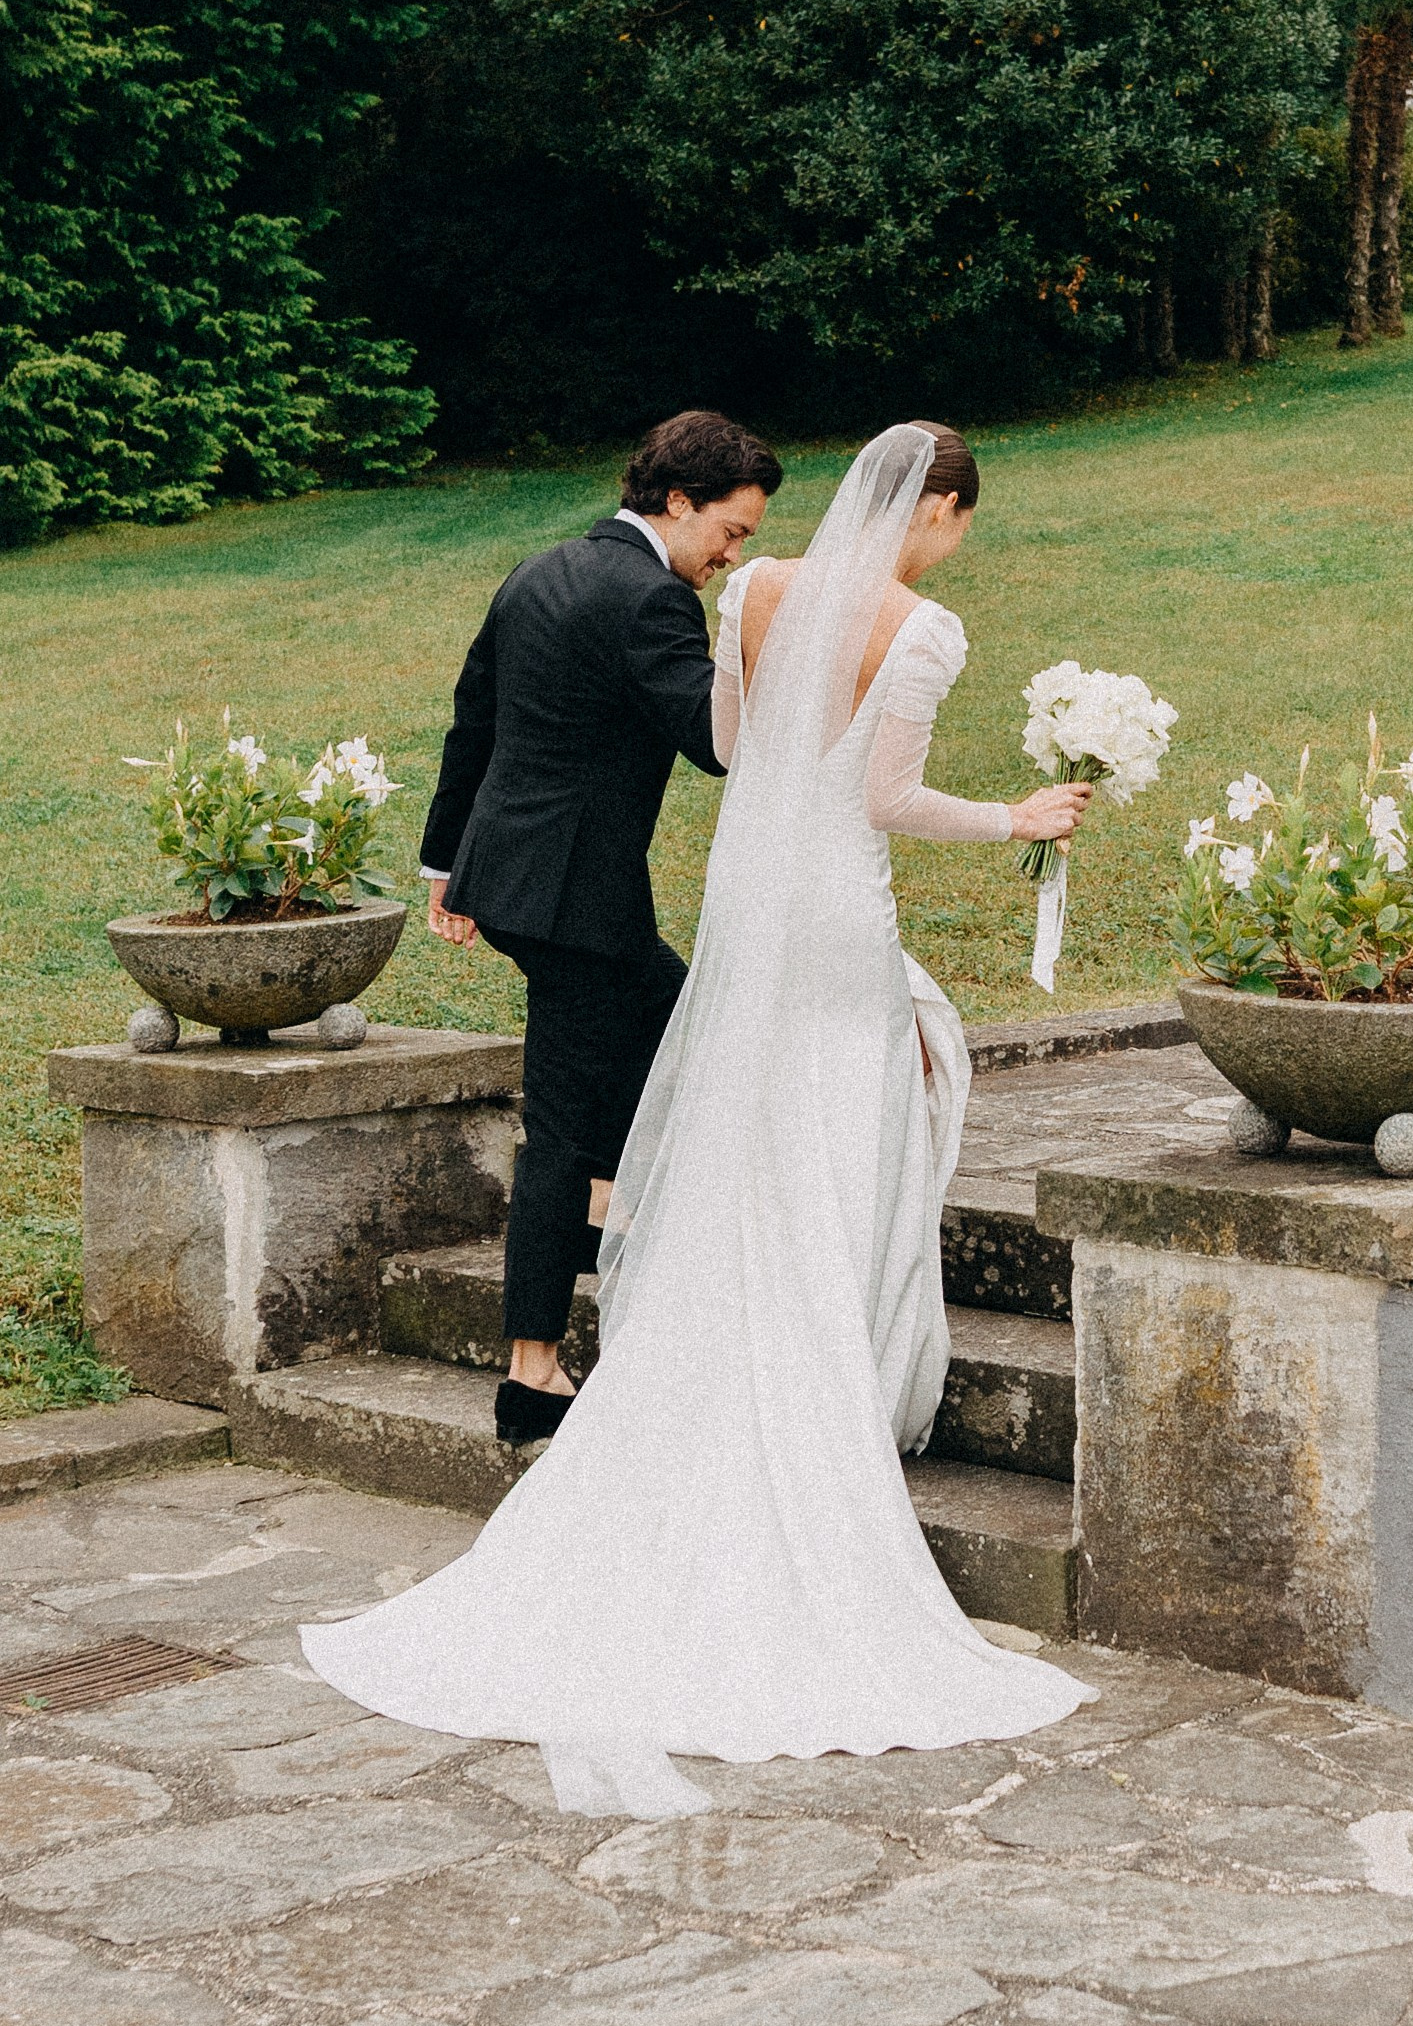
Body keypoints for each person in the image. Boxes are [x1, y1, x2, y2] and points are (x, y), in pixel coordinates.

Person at [303, 422, 1097, 1810]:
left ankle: (608, 1328)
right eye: (961, 520)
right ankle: (781, 1379)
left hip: (734, 893)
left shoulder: (732, 589)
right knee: (839, 1114)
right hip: (810, 896)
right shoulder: (921, 630)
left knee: (732, 1114)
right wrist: (1018, 818)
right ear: (940, 511)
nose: (735, 539)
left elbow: (711, 739)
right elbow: (881, 793)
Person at [418, 408, 782, 1445]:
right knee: (566, 1121)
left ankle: (610, 1219)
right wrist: (770, 640)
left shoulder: (539, 569)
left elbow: (471, 718)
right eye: (730, 530)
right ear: (676, 502)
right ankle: (532, 1365)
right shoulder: (651, 601)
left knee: (674, 1020)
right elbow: (717, 742)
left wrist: (447, 863)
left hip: (528, 883)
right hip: (574, 900)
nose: (731, 552)